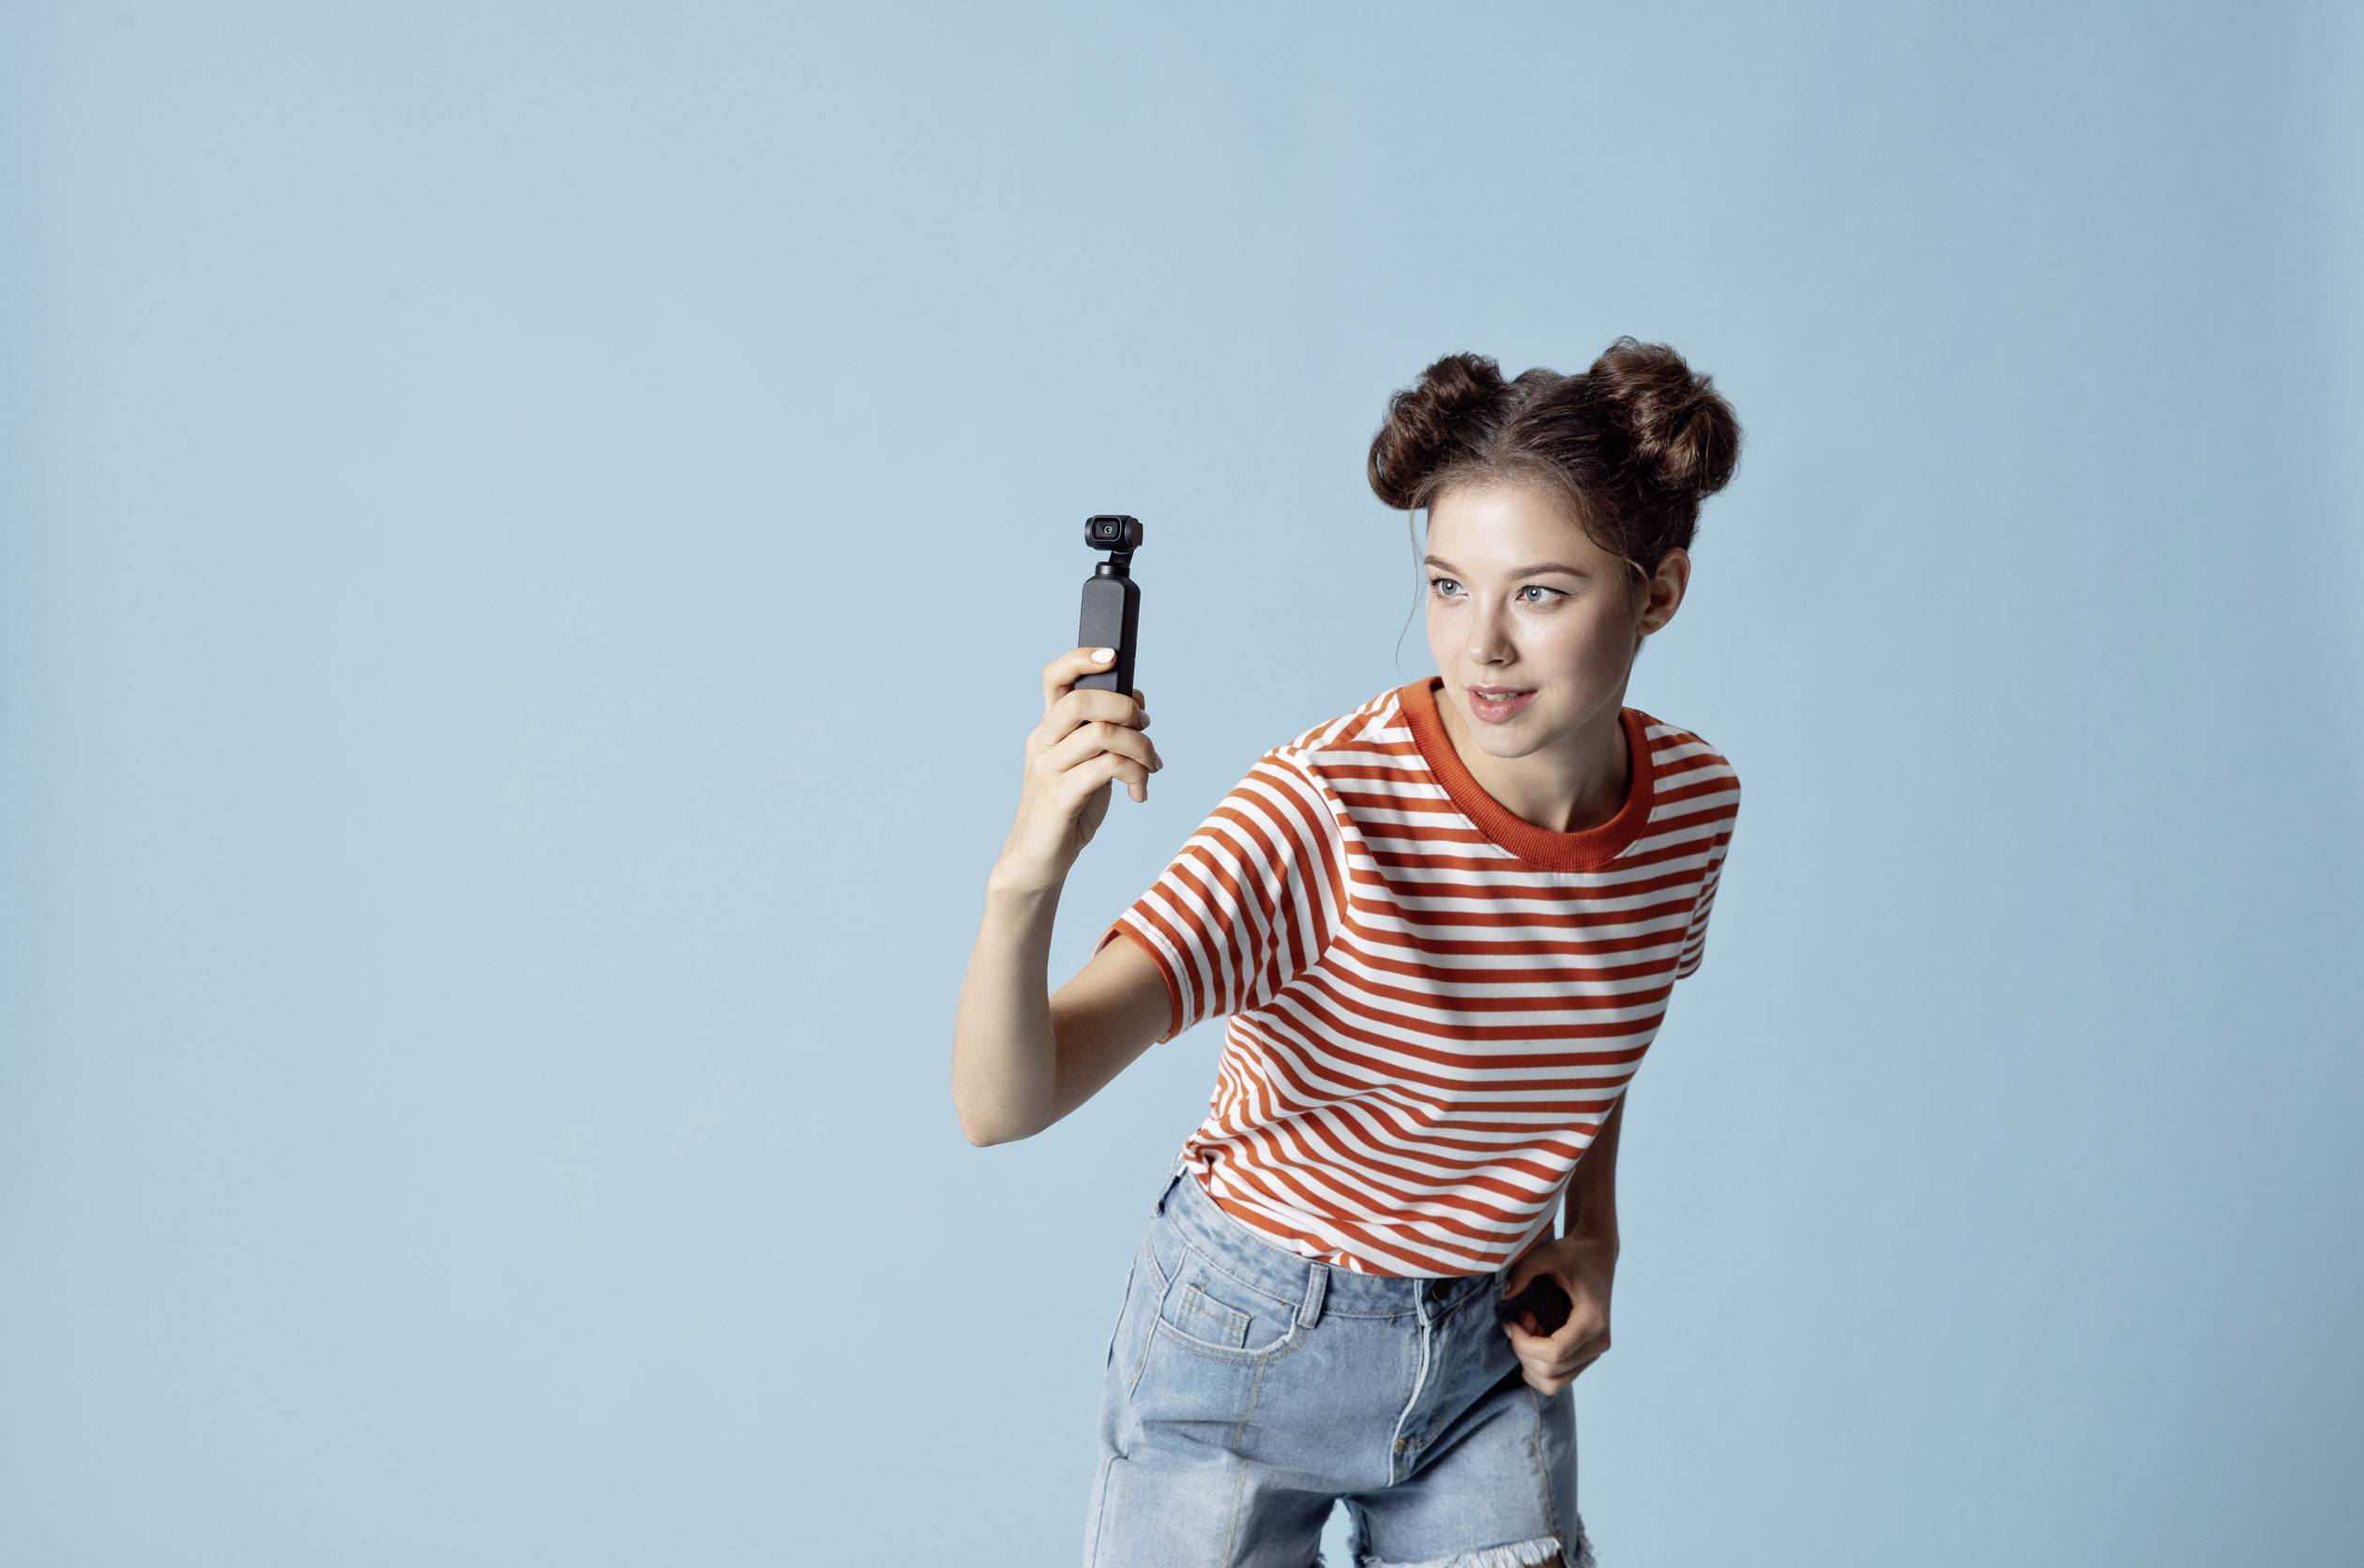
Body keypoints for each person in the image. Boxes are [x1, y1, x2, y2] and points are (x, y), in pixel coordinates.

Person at [952, 340, 1744, 1568]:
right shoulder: (1319, 816)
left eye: (1539, 593)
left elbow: (1595, 1029)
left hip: (1488, 1357)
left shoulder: (1690, 806)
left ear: (1660, 593)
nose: (1480, 645)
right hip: (1250, 1338)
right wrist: (1027, 874)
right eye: (1446, 585)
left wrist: (1592, 1230)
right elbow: (1005, 1104)